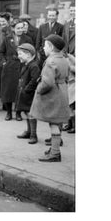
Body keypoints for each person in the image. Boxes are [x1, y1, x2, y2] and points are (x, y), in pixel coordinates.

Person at [30, 34, 71, 162]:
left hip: (52, 95)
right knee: (57, 122)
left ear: (51, 47)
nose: (43, 48)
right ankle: (54, 149)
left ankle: (54, 153)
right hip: (62, 91)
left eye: (45, 45)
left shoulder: (50, 61)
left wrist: (39, 89)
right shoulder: (64, 59)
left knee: (53, 123)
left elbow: (47, 82)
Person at [0, 20, 33, 121]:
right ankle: (9, 112)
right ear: (13, 28)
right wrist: (4, 62)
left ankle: (18, 112)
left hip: (22, 67)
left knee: (20, 90)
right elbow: (1, 52)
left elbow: (32, 52)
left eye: (22, 28)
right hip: (9, 68)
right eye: (18, 28)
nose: (20, 30)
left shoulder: (28, 39)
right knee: (8, 91)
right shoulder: (7, 39)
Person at [15, 43, 41, 144]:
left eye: (20, 54)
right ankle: (29, 131)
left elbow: (34, 80)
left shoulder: (33, 66)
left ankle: (34, 135)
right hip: (25, 93)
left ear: (28, 54)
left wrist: (26, 89)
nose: (18, 56)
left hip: (29, 94)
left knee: (31, 114)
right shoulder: (27, 65)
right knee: (26, 112)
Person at [62, 53, 76, 133]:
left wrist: (70, 67)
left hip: (73, 85)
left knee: (71, 107)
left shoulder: (70, 60)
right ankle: (70, 124)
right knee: (68, 106)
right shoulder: (67, 60)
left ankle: (74, 126)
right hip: (68, 84)